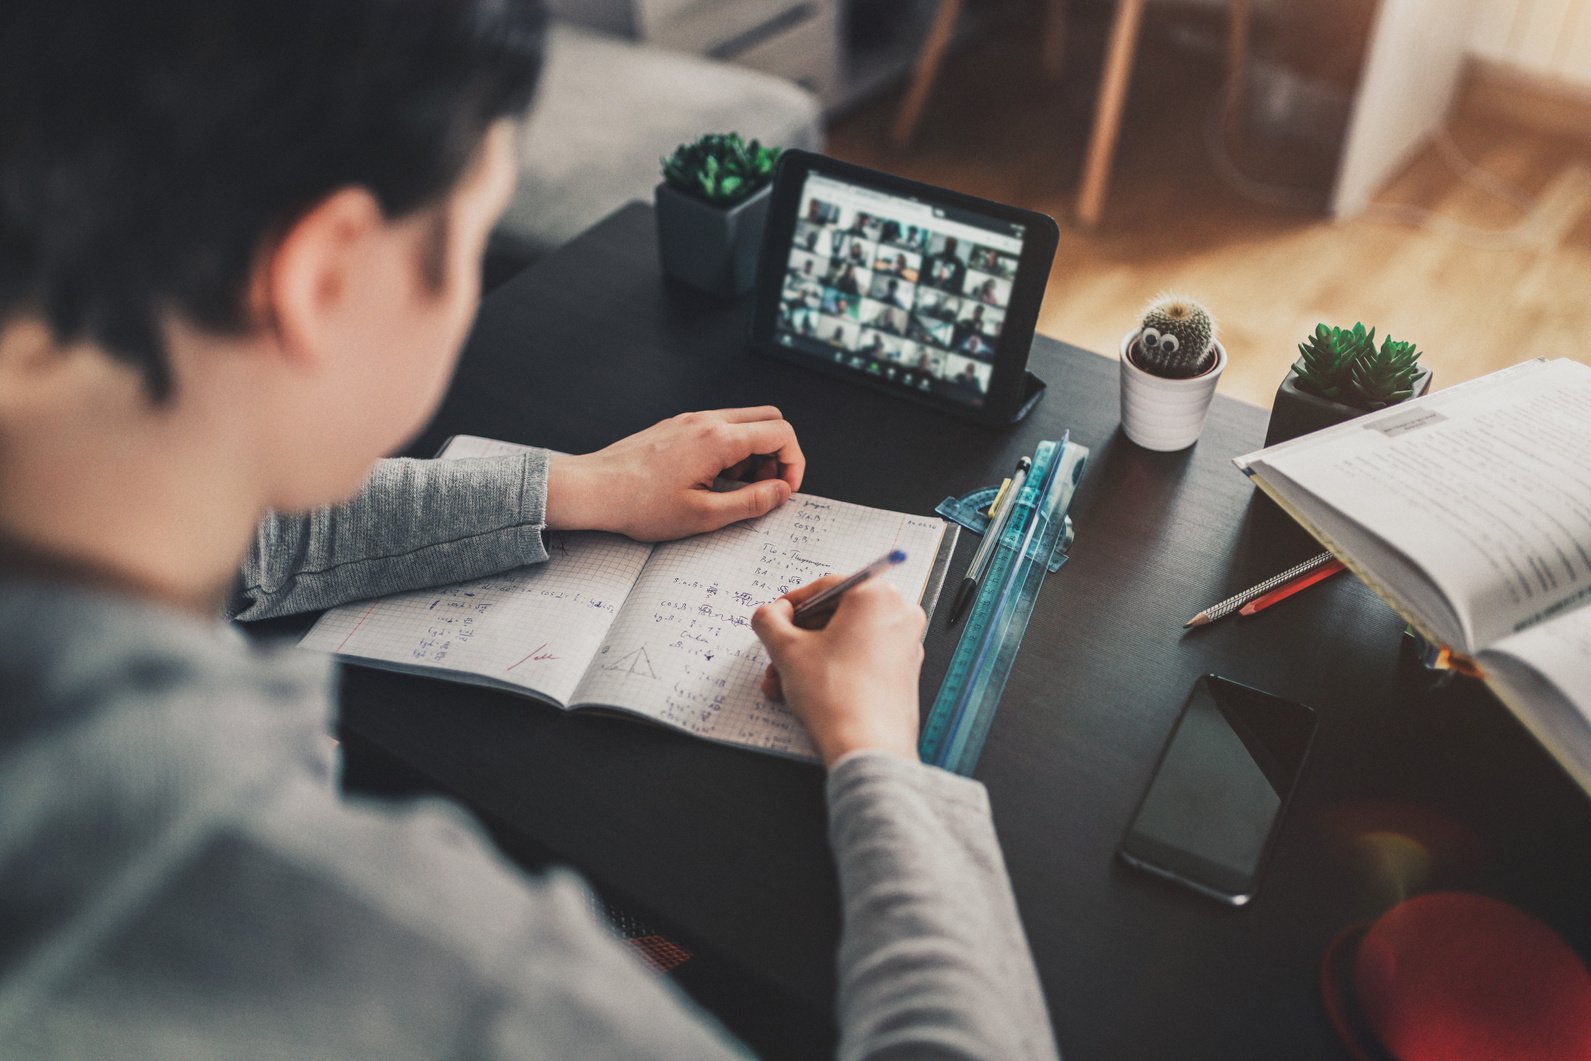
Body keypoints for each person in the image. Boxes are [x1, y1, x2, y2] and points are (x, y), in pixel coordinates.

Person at [0, 1, 1058, 1058]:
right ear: (321, 280)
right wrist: (879, 746)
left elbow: (255, 545)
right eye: (469, 234)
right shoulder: (466, 981)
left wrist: (580, 487)